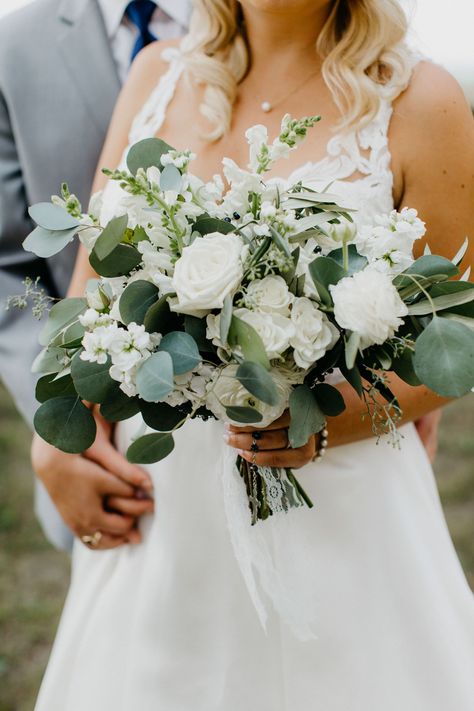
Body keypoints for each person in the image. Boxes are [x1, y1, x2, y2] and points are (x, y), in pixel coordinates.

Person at [32, 0, 474, 708]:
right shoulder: (154, 77)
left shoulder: (423, 101)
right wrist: (56, 440)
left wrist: (323, 419)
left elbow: (455, 343)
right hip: (164, 520)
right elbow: (92, 296)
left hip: (341, 515)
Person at [0, 0, 191, 550]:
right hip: (100, 446)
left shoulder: (276, 18)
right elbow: (9, 264)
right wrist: (60, 411)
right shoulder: (14, 47)